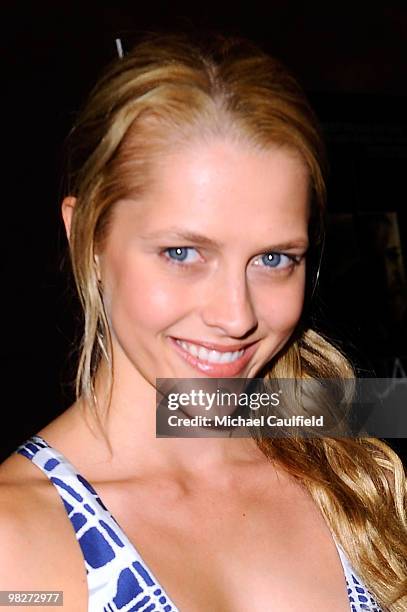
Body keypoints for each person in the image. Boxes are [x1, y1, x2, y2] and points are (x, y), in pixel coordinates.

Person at [0, 31, 406, 612]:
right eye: (183, 254)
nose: (236, 317)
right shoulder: (15, 548)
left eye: (274, 259)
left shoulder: (352, 470)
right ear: (86, 237)